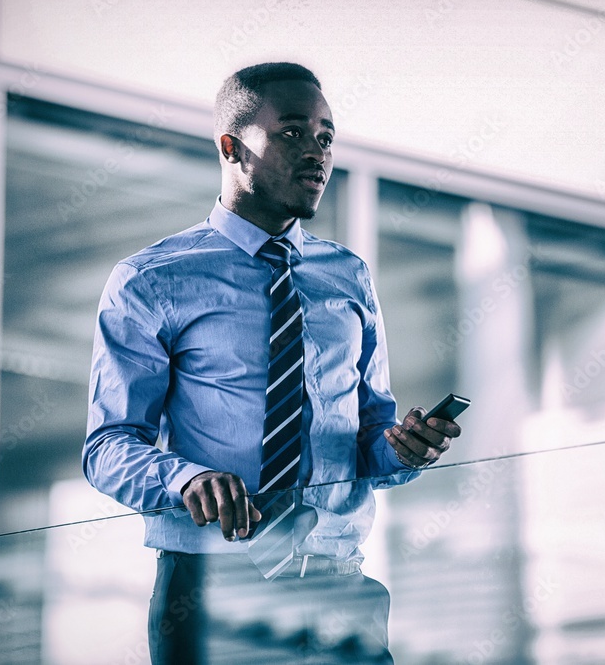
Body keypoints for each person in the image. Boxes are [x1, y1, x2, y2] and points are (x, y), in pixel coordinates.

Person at [83, 62, 462, 664]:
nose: (316, 153)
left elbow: (367, 442)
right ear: (231, 147)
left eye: (326, 136)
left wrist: (403, 449)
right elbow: (107, 448)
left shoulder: (348, 277)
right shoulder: (151, 280)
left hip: (342, 588)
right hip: (214, 593)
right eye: (291, 133)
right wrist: (187, 480)